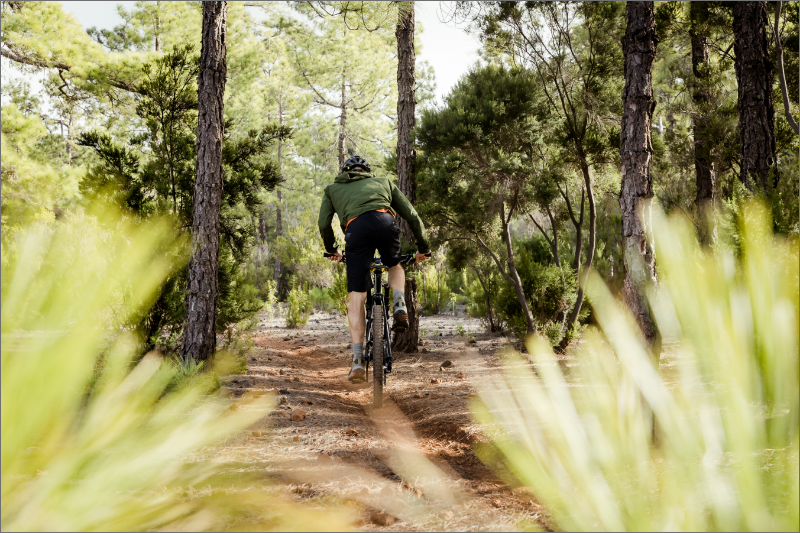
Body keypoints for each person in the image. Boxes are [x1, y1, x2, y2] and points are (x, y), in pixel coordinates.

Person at [318, 155, 430, 383]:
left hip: (355, 229)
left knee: (357, 296)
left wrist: (332, 249)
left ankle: (358, 360)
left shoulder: (333, 189)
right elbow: (412, 215)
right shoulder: (384, 182)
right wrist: (424, 247)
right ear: (366, 172)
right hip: (385, 223)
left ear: (345, 172)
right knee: (394, 264)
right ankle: (399, 303)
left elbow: (323, 223)